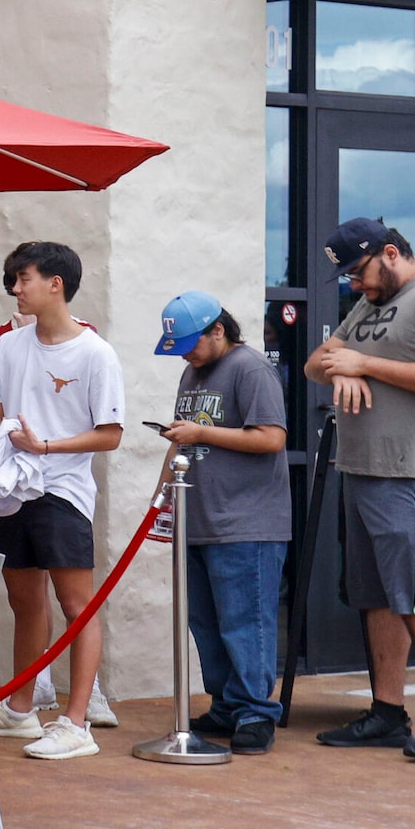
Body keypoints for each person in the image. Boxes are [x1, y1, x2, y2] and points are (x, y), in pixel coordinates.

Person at [305, 218, 415, 764]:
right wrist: (345, 372)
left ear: (390, 252)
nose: (355, 285)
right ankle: (388, 712)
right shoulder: (370, 304)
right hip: (361, 467)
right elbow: (317, 363)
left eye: (359, 272)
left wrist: (365, 364)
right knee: (378, 593)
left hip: (412, 470)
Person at [0, 241, 126, 764]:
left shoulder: (95, 353)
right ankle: (20, 711)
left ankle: (77, 721)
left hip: (63, 492)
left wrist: (47, 447)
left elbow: (110, 434)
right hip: (11, 493)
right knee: (24, 603)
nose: (16, 289)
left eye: (24, 278)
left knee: (76, 607)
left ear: (55, 283)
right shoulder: (9, 346)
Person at [152, 294, 291, 754]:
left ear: (218, 330)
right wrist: (161, 499)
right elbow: (180, 440)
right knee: (206, 622)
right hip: (200, 517)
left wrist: (202, 433)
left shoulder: (251, 369)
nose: (186, 354)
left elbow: (271, 438)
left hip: (246, 523)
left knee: (244, 621)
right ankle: (226, 705)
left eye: (191, 343)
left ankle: (255, 711)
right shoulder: (193, 372)